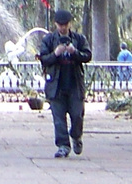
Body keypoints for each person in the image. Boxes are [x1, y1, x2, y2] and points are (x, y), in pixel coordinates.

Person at [38, 8, 93, 158]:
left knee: (77, 115)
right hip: (56, 85)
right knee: (58, 118)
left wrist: (74, 52)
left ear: (70, 24)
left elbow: (87, 56)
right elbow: (43, 59)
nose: (63, 27)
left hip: (74, 84)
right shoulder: (48, 40)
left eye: (65, 24)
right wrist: (56, 53)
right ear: (55, 24)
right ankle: (63, 145)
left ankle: (76, 136)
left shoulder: (79, 39)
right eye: (60, 24)